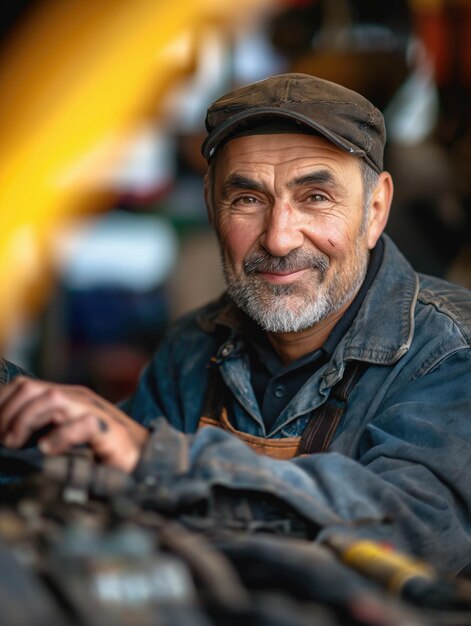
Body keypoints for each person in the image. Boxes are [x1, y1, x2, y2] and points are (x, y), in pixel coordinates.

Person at [0, 73, 470, 575]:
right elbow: (111, 495)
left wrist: (158, 460)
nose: (279, 238)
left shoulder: (450, 354)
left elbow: (409, 524)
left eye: (315, 197)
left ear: (374, 211)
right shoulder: (194, 346)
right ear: (211, 206)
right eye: (247, 199)